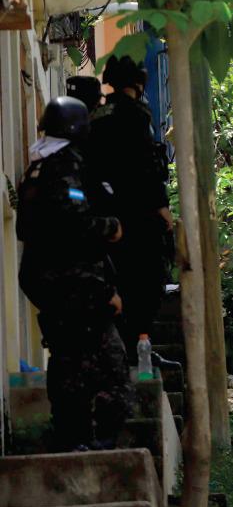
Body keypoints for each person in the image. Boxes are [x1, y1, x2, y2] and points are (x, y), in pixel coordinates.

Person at [17, 97, 133, 451]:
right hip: (73, 284)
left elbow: (29, 228)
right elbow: (73, 225)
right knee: (111, 367)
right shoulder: (65, 164)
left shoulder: (37, 166)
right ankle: (98, 441)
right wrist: (111, 227)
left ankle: (73, 438)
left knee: (68, 360)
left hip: (46, 281)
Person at [88, 56, 173, 363]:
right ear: (137, 83)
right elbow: (146, 164)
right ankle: (139, 346)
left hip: (110, 212)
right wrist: (161, 207)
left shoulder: (98, 113)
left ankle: (130, 346)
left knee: (123, 279)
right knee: (148, 280)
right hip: (138, 212)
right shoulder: (135, 114)